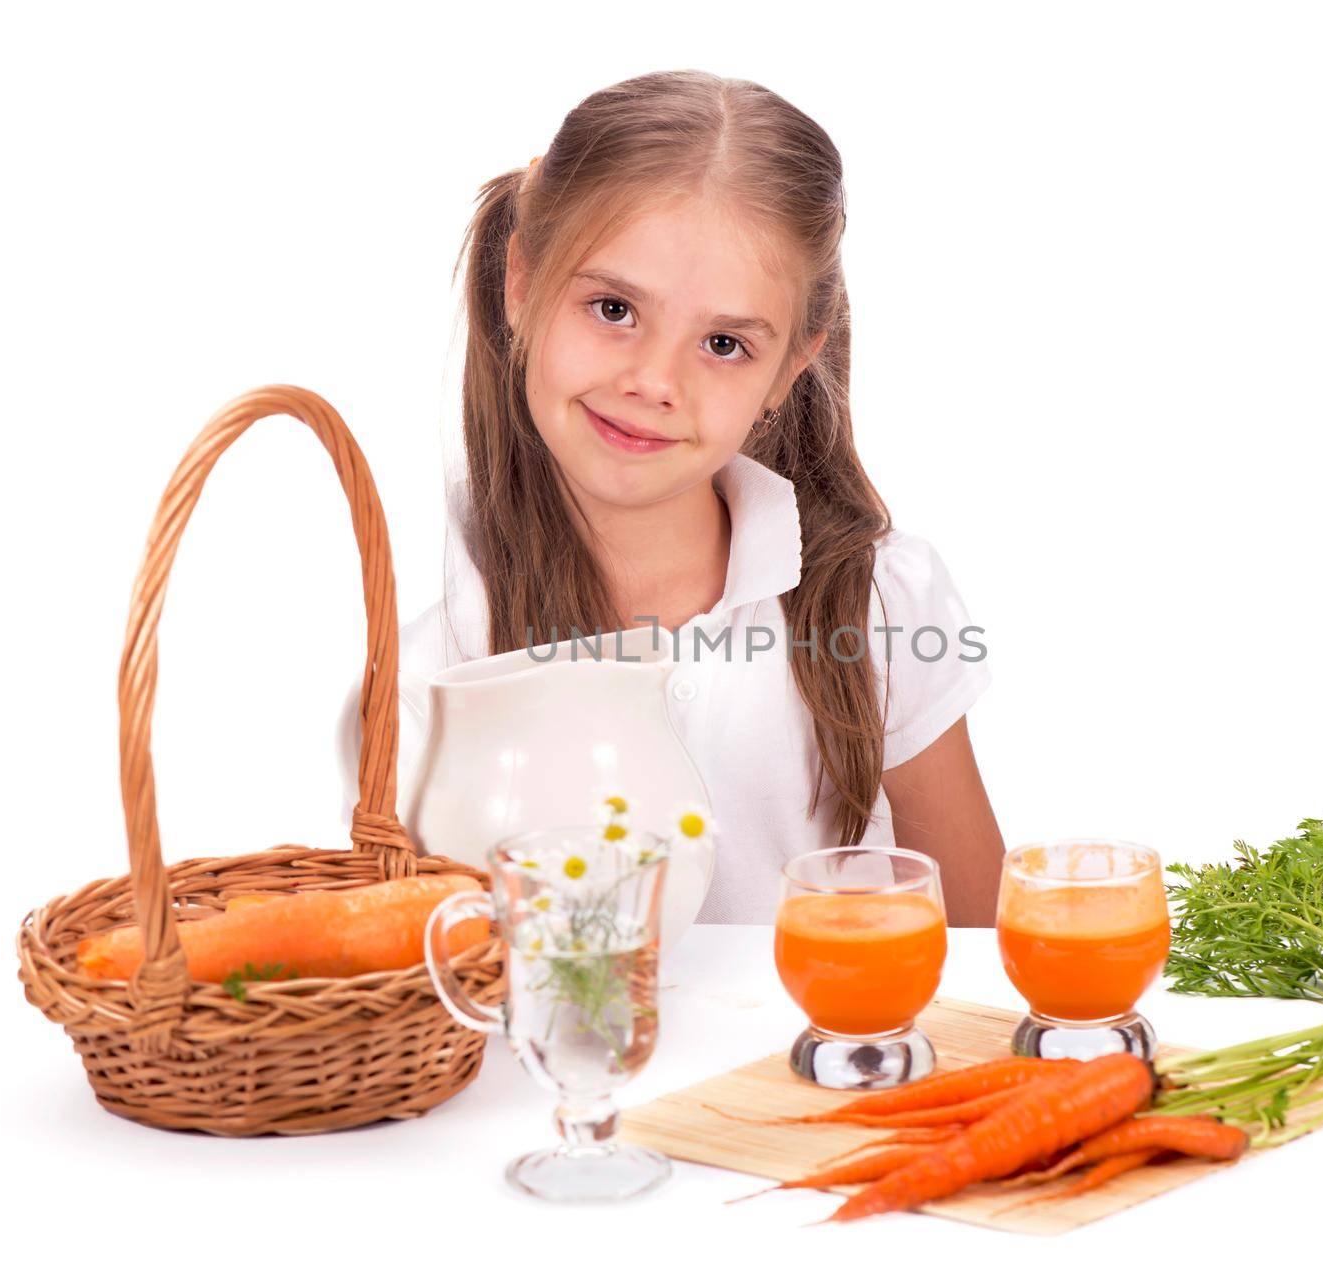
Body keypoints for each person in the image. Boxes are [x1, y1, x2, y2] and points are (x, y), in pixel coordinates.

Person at [338, 69, 1004, 924]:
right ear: (521, 284)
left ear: (788, 369)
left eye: (723, 342)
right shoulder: (435, 673)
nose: (654, 380)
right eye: (613, 308)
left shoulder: (879, 607)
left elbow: (983, 950)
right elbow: (425, 985)